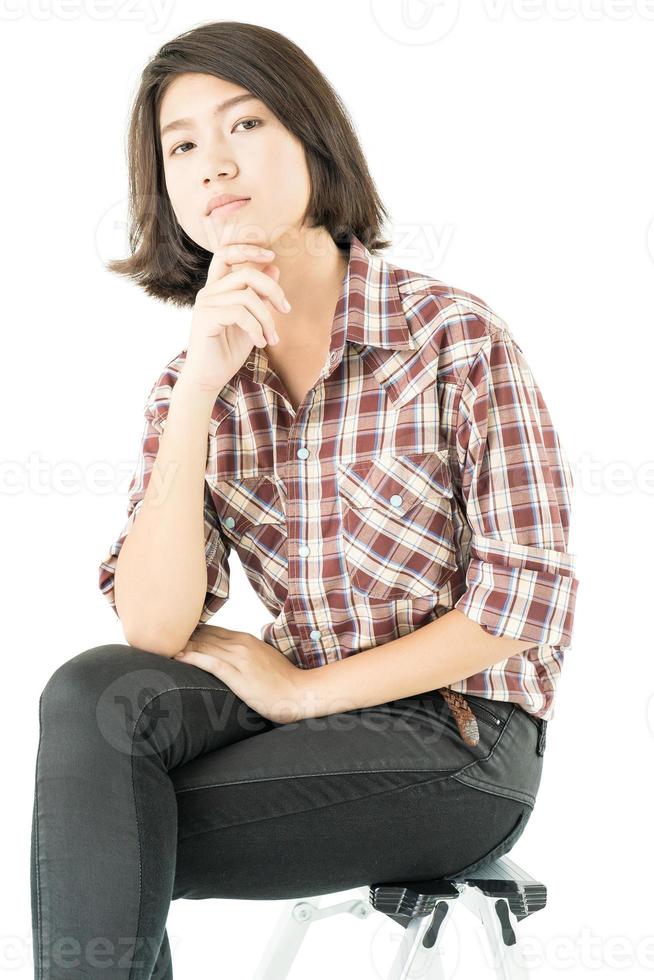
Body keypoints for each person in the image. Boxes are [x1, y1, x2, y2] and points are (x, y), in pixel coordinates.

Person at [30, 20, 579, 980]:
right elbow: (153, 631)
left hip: (461, 743)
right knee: (95, 695)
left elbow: (522, 604)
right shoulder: (192, 382)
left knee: (96, 836)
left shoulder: (449, 338)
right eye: (182, 145)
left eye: (245, 124)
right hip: (309, 735)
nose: (213, 163)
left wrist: (305, 691)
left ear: (313, 141)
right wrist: (201, 389)